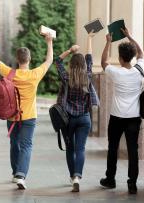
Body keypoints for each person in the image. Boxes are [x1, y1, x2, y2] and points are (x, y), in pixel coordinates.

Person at [0, 32, 53, 190]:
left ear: (17, 60)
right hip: (29, 117)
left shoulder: (10, 74)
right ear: (29, 59)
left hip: (12, 116)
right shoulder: (34, 75)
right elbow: (49, 60)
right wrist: (49, 42)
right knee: (26, 145)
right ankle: (20, 175)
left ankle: (15, 173)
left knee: (14, 144)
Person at [100, 28, 144, 195]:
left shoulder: (116, 72)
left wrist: (108, 42)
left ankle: (110, 180)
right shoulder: (140, 69)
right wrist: (129, 36)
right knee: (133, 150)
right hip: (134, 118)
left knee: (113, 147)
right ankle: (132, 184)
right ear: (132, 57)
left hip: (117, 117)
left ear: (119, 58)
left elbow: (104, 62)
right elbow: (141, 52)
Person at [55, 32, 99, 192]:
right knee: (80, 148)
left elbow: (57, 61)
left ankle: (72, 175)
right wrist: (89, 38)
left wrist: (70, 50)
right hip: (84, 119)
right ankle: (77, 177)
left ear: (72, 65)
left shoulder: (66, 78)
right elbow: (89, 58)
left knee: (70, 149)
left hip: (68, 119)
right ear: (83, 66)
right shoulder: (87, 76)